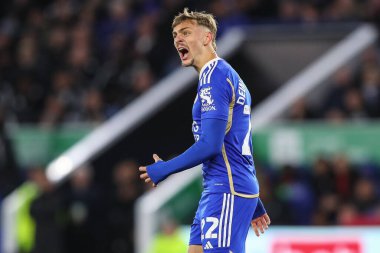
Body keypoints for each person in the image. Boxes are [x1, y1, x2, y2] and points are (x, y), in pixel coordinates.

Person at [139, 8, 270, 253]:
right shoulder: (225, 75)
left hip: (225, 190)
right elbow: (238, 140)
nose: (178, 38)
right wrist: (252, 198)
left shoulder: (215, 77)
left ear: (207, 38)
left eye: (186, 32)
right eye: (176, 34)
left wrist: (166, 168)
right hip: (222, 187)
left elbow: (210, 144)